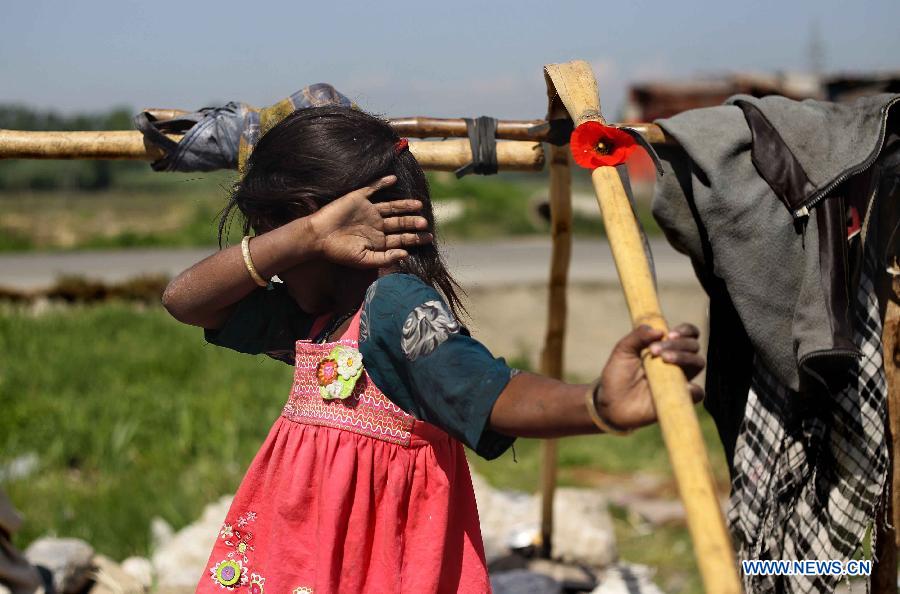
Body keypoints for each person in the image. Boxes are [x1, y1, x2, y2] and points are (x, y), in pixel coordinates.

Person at [162, 106, 705, 594]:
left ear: (314, 213)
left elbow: (489, 390)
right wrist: (301, 236)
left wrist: (597, 406)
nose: (273, 263)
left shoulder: (393, 306)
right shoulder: (321, 322)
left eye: (266, 234)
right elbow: (185, 300)